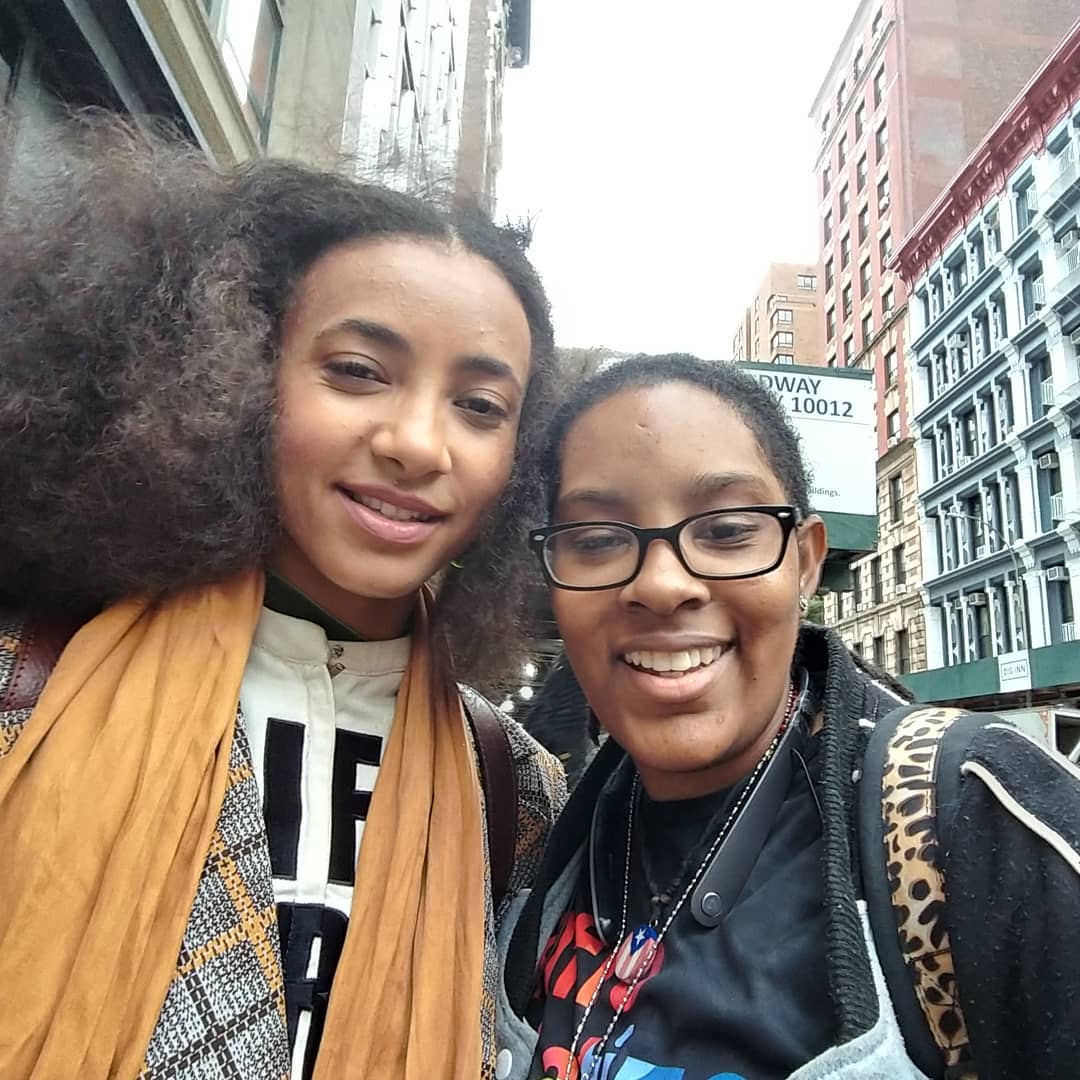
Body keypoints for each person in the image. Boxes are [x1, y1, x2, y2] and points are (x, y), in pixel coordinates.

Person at [0, 118, 565, 1080]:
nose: (419, 444)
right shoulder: (26, 689)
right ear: (236, 371)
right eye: (356, 372)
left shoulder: (519, 789)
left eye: (479, 406)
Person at [495, 354, 1080, 1080]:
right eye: (596, 541)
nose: (662, 584)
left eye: (729, 530)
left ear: (805, 563)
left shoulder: (976, 814)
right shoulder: (534, 839)